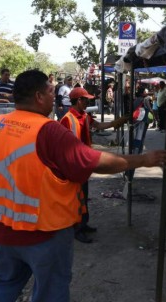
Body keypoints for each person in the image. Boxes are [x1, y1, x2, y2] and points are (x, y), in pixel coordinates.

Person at [0, 70, 166, 302]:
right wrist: (144, 160)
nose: (55, 98)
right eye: (51, 92)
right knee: (51, 291)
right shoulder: (48, 130)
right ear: (38, 96)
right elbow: (93, 161)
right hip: (44, 233)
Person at [60, 86, 128, 243]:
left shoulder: (84, 116)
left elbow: (98, 126)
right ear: (78, 100)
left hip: (83, 163)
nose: (87, 103)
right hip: (74, 165)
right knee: (77, 197)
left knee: (84, 195)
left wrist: (115, 123)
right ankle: (77, 228)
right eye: (86, 100)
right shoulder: (67, 119)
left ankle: (83, 224)